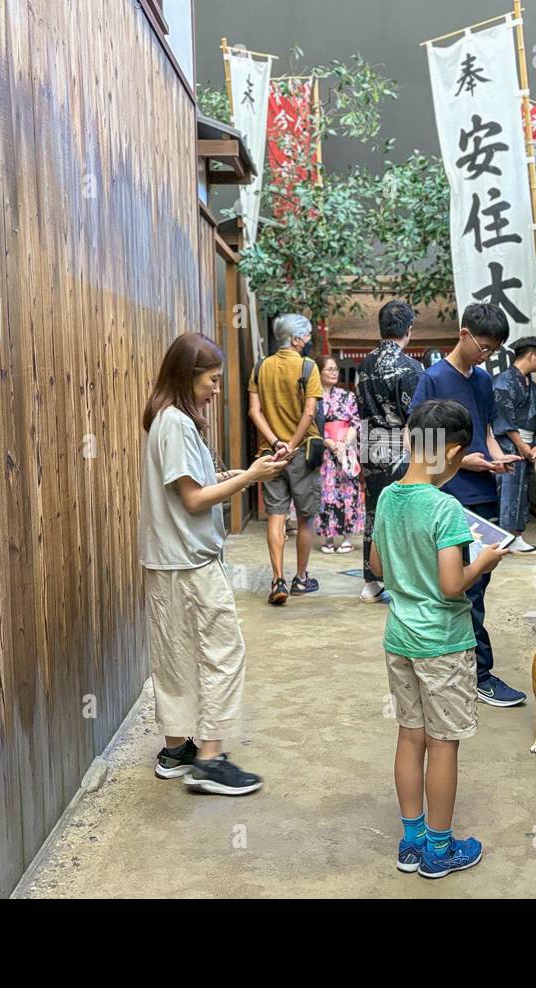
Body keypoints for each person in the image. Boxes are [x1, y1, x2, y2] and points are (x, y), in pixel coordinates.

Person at [138, 332, 288, 796]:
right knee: (224, 653)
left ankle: (177, 749)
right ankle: (210, 759)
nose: (218, 389)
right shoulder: (178, 424)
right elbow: (195, 499)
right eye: (213, 379)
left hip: (168, 561)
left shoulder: (167, 419)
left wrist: (244, 472)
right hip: (189, 563)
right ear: (189, 376)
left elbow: (193, 484)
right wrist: (250, 477)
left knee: (176, 656)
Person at [368, 399, 510, 878]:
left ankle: (411, 840)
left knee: (410, 736)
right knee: (444, 743)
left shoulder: (388, 498)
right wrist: (484, 563)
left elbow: (377, 568)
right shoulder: (447, 508)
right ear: (453, 452)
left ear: (411, 441)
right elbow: (453, 585)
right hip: (444, 644)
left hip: (400, 639)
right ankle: (440, 850)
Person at [408, 302, 526, 708]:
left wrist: (495, 459)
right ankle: (479, 672)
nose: (487, 355)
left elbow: (488, 430)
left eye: (494, 350)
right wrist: (464, 461)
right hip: (447, 494)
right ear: (464, 334)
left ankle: (466, 668)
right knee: (458, 585)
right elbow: (418, 444)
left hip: (482, 491)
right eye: (484, 347)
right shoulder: (432, 379)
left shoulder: (481, 381)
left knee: (477, 584)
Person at [248, 313, 324, 605]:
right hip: (302, 453)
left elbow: (255, 412)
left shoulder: (260, 367)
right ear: (295, 338)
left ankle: (277, 578)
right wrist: (291, 445)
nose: (307, 341)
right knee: (305, 517)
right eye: (305, 336)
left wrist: (277, 443)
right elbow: (309, 413)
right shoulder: (308, 367)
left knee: (276, 516)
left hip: (270, 454)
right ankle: (301, 580)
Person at [355, 300, 424, 603]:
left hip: (370, 442)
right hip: (399, 445)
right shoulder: (412, 367)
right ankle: (401, 580)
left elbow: (360, 407)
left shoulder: (364, 364)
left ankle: (371, 581)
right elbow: (416, 417)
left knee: (375, 510)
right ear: (409, 330)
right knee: (404, 512)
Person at [493, 336, 536, 553]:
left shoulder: (532, 388)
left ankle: (517, 537)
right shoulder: (503, 383)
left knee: (521, 493)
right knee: (507, 491)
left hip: (527, 448)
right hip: (508, 447)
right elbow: (503, 418)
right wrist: (520, 445)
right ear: (532, 354)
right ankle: (504, 538)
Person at [316, 355, 364, 553]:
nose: (334, 372)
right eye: (329, 369)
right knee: (327, 493)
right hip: (325, 450)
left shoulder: (347, 396)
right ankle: (328, 537)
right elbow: (313, 424)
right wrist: (330, 443)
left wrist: (343, 444)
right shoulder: (313, 398)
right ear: (319, 373)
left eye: (335, 369)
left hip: (346, 450)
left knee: (348, 491)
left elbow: (356, 422)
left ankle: (347, 537)